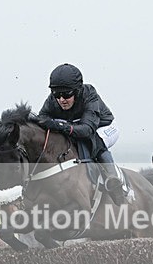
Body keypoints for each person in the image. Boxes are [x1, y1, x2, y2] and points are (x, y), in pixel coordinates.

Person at [37, 63, 127, 204]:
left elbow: (86, 130)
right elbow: (41, 118)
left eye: (66, 95)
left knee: (93, 142)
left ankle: (114, 182)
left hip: (102, 128)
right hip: (76, 125)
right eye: (57, 95)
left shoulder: (89, 94)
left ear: (77, 91)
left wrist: (62, 126)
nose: (61, 100)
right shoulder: (52, 100)